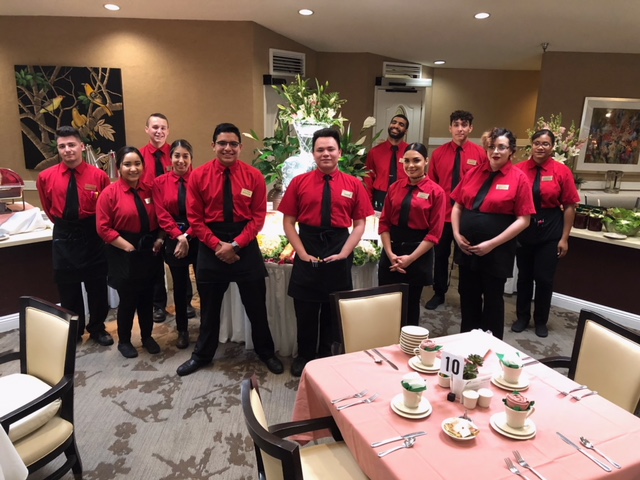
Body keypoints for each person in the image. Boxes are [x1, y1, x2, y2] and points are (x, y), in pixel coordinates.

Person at [176, 123, 283, 376]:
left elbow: (258, 218)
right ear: (213, 145)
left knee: (256, 306)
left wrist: (235, 245)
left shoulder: (254, 176)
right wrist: (218, 246)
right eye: (222, 143)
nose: (228, 148)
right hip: (210, 244)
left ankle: (266, 352)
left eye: (233, 144)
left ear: (240, 147)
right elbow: (195, 219)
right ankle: (202, 355)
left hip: (244, 243)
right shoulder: (199, 176)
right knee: (209, 309)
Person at [278, 128, 374, 377]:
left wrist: (344, 252)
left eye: (331, 149)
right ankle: (305, 355)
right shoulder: (299, 183)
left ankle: (326, 355)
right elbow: (288, 222)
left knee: (333, 308)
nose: (326, 154)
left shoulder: (354, 184)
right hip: (307, 244)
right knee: (306, 309)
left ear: (340, 153)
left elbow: (360, 223)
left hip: (339, 246)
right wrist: (300, 253)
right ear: (314, 154)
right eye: (320, 149)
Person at [451, 128, 535, 340]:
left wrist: (492, 244)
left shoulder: (519, 179)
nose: (495, 151)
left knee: (493, 301)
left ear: (511, 151)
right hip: (467, 248)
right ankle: (466, 341)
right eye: (492, 147)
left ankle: (491, 346)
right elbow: (457, 206)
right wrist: (456, 234)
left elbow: (524, 220)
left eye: (502, 147)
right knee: (468, 297)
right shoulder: (473, 172)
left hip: (497, 251)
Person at [36, 126, 113, 346]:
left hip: (92, 234)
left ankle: (97, 328)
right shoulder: (45, 177)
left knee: (97, 287)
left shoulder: (99, 176)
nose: (67, 150)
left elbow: (105, 208)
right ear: (58, 150)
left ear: (82, 146)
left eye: (71, 145)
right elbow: (49, 209)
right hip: (63, 234)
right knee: (68, 289)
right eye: (62, 146)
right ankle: (74, 330)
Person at [97, 146, 164, 358]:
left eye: (137, 164)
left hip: (149, 249)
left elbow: (163, 216)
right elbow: (103, 228)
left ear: (143, 166)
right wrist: (127, 246)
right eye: (127, 164)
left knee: (147, 296)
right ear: (119, 169)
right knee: (128, 299)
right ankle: (124, 341)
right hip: (123, 251)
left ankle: (147, 337)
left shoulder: (151, 189)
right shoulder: (110, 193)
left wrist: (161, 238)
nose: (133, 168)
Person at [512, 129, 580, 337]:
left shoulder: (562, 171)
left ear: (552, 147)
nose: (541, 147)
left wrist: (564, 238)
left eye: (546, 144)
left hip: (551, 229)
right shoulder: (519, 169)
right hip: (525, 227)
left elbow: (570, 206)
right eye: (537, 143)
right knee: (524, 277)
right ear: (531, 145)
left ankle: (541, 320)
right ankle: (522, 317)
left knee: (544, 278)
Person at [378, 142, 446, 326]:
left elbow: (435, 233)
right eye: (406, 161)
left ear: (426, 161)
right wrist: (391, 254)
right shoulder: (394, 187)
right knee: (385, 303)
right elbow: (384, 223)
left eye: (416, 160)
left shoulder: (436, 192)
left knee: (410, 305)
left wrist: (410, 259)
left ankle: (407, 349)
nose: (411, 165)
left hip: (418, 253)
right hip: (391, 250)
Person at [425, 110, 487, 310]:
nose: (460, 128)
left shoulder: (480, 154)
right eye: (456, 124)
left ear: (471, 128)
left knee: (465, 258)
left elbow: (484, 185)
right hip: (443, 216)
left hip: (467, 216)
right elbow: (432, 186)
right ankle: (439, 292)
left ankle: (465, 295)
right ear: (450, 128)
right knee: (440, 256)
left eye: (464, 124)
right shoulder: (438, 154)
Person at [139, 113, 196, 323]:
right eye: (154, 127)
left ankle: (187, 302)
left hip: (188, 226)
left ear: (168, 130)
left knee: (182, 270)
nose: (159, 131)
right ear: (147, 129)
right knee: (155, 265)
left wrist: (185, 235)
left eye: (163, 127)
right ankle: (158, 305)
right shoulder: (141, 156)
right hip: (155, 215)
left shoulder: (177, 151)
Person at [152, 139, 199, 349]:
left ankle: (208, 327)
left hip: (198, 235)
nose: (181, 160)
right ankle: (182, 329)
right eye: (177, 156)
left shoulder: (200, 179)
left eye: (185, 156)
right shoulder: (159, 183)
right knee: (179, 287)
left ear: (191, 159)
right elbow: (161, 214)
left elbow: (204, 213)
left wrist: (187, 236)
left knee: (205, 285)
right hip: (173, 237)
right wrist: (179, 237)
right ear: (170, 158)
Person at [364, 115, 410, 211]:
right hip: (380, 196)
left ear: (406, 131)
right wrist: (368, 205)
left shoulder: (410, 152)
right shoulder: (375, 152)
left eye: (401, 124)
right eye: (394, 122)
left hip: (404, 196)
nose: (396, 126)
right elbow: (368, 180)